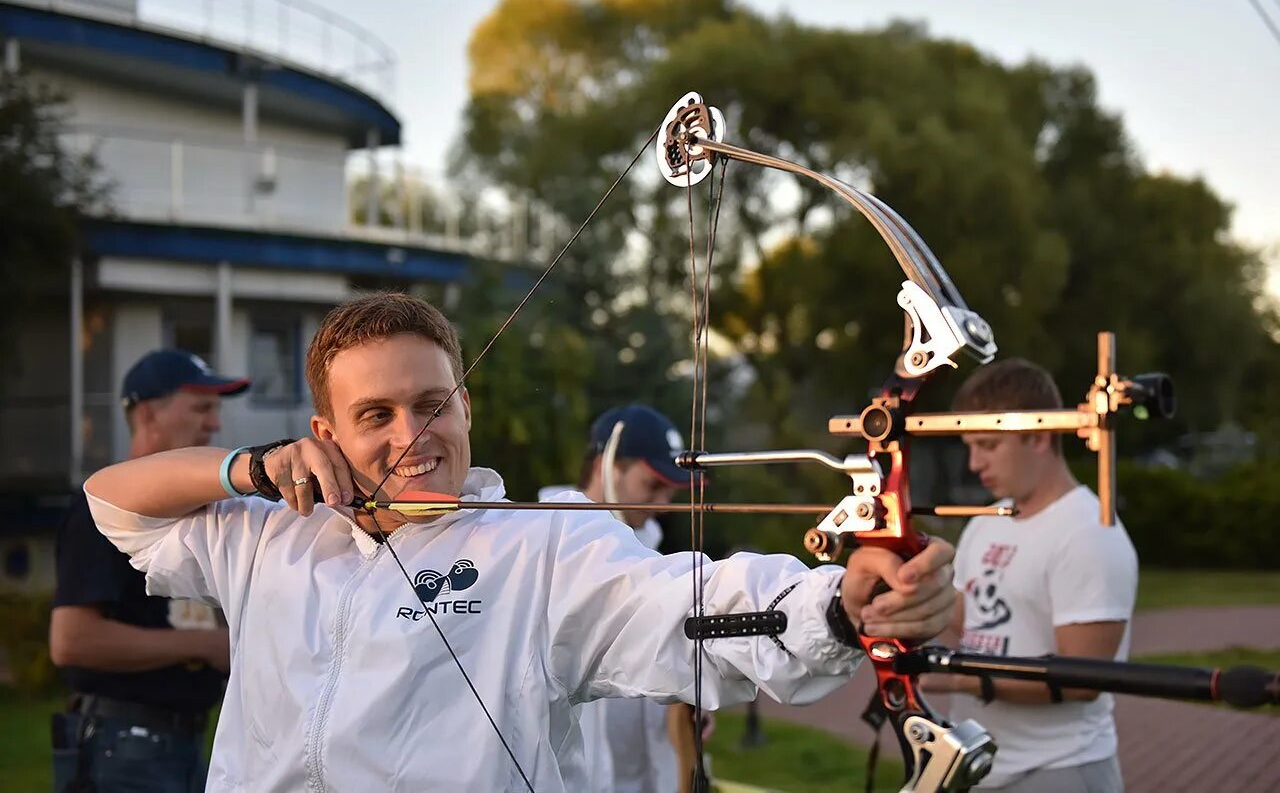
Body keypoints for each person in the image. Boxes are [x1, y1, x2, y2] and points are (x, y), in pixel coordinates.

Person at [82, 291, 957, 791]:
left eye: (431, 404)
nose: (409, 435)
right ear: (325, 430)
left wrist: (841, 604)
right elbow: (115, 503)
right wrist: (248, 467)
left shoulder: (538, 550)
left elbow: (682, 605)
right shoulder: (273, 535)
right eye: (374, 415)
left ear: (466, 407)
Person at [921, 358, 1138, 792]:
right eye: (969, 445)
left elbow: (1083, 682)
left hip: (1061, 770)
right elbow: (973, 620)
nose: (974, 463)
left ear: (1038, 436)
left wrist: (959, 679)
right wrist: (916, 585)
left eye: (987, 445)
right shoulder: (987, 520)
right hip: (980, 765)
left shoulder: (1089, 533)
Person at [50, 349, 250, 792]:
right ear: (147, 416)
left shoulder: (200, 512)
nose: (215, 424)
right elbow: (71, 641)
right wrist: (206, 644)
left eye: (216, 409)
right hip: (123, 742)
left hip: (180, 742)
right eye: (201, 407)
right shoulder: (100, 511)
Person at [547, 403, 703, 793]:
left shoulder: (653, 558)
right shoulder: (539, 551)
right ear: (607, 466)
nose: (663, 506)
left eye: (669, 490)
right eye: (652, 485)